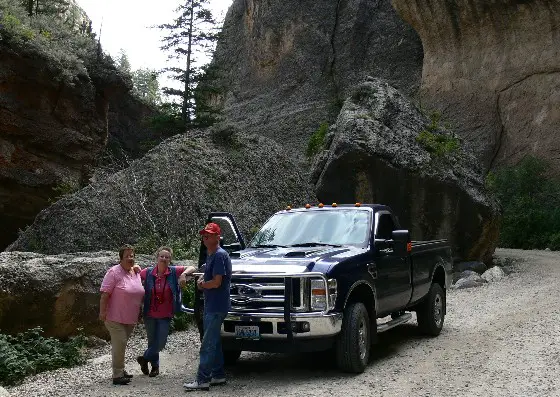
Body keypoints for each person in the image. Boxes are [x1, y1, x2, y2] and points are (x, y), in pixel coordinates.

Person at [184, 222, 232, 391]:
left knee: (207, 344)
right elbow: (209, 278)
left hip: (217, 305)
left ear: (217, 237)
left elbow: (217, 282)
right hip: (212, 304)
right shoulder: (211, 255)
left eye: (209, 235)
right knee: (215, 341)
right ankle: (218, 375)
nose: (205, 237)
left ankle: (202, 379)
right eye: (204, 234)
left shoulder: (219, 255)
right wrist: (202, 282)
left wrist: (203, 285)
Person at [137, 246, 197, 377]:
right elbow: (133, 275)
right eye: (162, 256)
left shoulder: (173, 272)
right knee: (152, 341)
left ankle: (144, 358)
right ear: (157, 257)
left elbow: (193, 267)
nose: (164, 259)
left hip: (166, 314)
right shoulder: (147, 272)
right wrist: (135, 266)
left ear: (170, 259)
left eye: (167, 257)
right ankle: (155, 367)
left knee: (161, 343)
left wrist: (184, 274)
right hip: (150, 313)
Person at [99, 245, 145, 385]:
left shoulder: (135, 271)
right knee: (120, 343)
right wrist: (102, 312)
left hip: (129, 318)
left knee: (121, 345)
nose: (130, 258)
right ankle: (117, 375)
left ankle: (121, 369)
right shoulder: (113, 272)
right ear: (121, 258)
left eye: (132, 255)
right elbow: (105, 295)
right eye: (127, 256)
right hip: (114, 317)